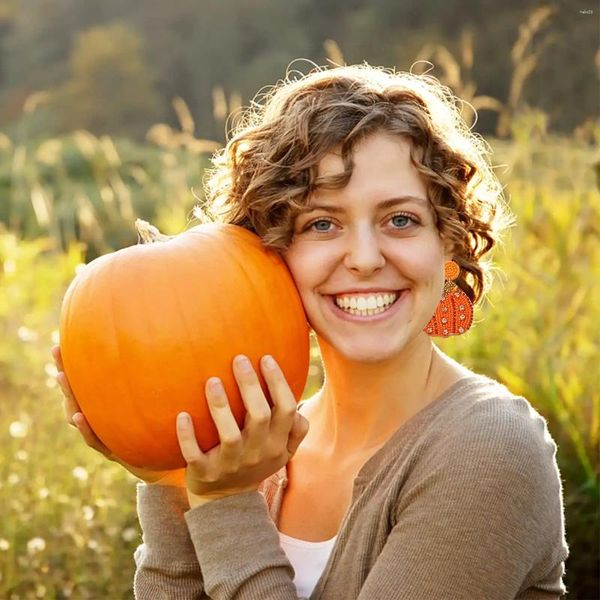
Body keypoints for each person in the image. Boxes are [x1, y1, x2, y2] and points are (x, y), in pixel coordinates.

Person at [52, 64, 569, 599]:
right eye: (322, 224)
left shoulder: (488, 449)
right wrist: (177, 482)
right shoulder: (252, 449)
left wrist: (227, 504)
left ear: (450, 248)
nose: (365, 259)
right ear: (268, 255)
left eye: (401, 220)